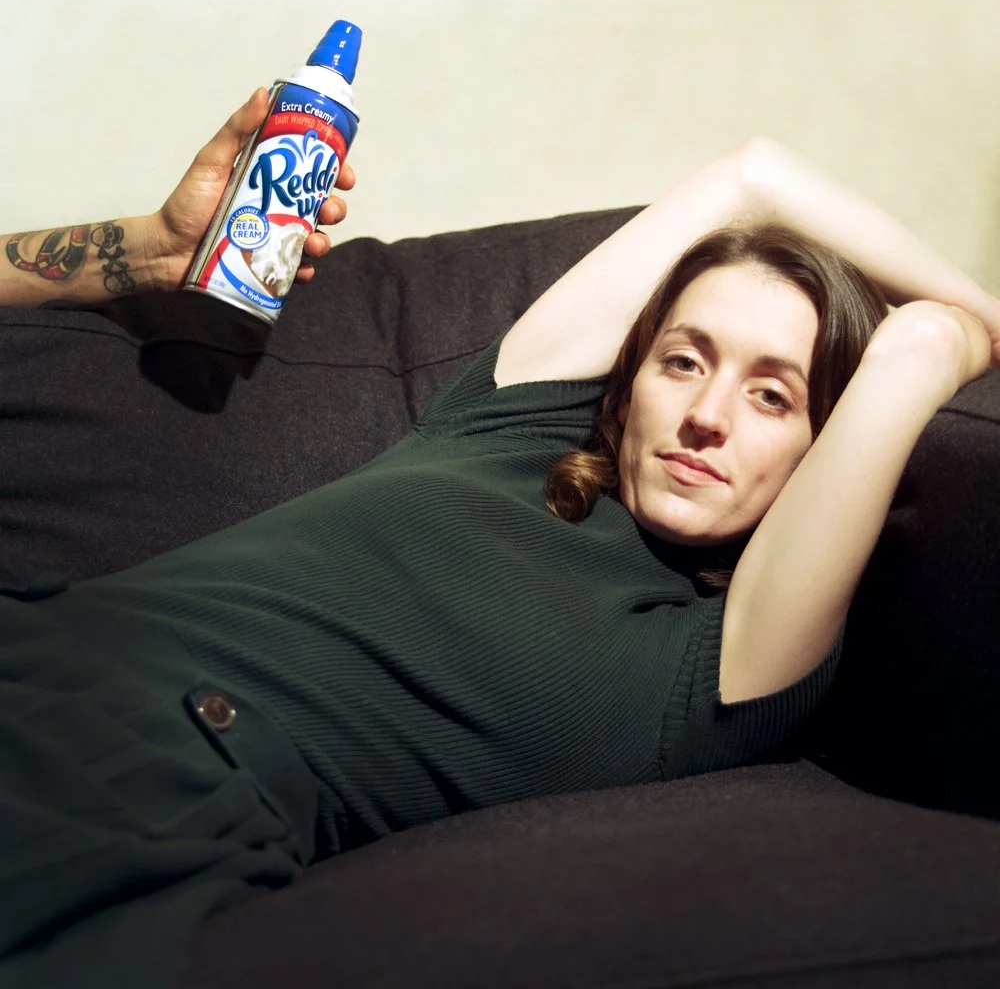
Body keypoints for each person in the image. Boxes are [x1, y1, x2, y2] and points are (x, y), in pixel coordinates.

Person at [1, 87, 997, 989]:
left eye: (772, 396)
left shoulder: (721, 667)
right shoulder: (501, 426)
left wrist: (973, 325)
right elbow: (754, 178)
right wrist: (153, 250)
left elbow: (916, 344)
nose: (706, 415)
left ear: (828, 446)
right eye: (683, 362)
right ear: (625, 386)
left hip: (136, 788)